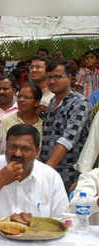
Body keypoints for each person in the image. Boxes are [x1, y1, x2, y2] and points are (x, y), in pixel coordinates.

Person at [0, 124, 69, 219]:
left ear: (36, 152)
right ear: (6, 147)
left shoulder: (50, 176)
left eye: (25, 149)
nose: (17, 154)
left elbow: (62, 220)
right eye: (13, 147)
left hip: (37, 236)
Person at [40, 60, 92, 192]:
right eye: (50, 77)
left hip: (69, 174)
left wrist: (46, 170)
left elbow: (67, 139)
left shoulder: (79, 103)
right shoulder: (52, 102)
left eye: (57, 77)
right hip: (49, 171)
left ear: (70, 77)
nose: (52, 81)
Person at [2, 82, 43, 150]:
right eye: (19, 96)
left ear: (37, 102)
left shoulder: (43, 125)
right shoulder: (6, 121)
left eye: (26, 97)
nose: (21, 100)